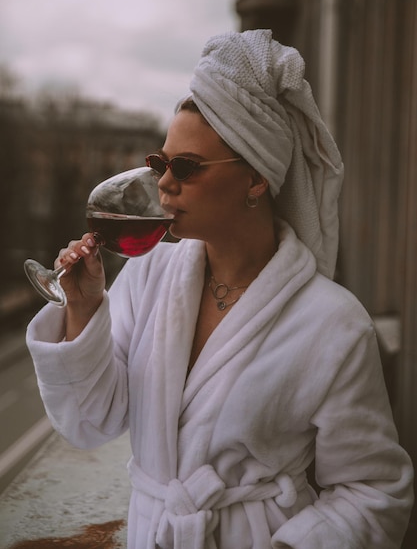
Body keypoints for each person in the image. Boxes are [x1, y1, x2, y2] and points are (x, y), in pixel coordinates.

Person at [26, 29, 413, 549]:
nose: (164, 184)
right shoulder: (149, 275)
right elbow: (90, 423)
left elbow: (375, 490)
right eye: (160, 163)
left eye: (187, 167)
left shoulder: (334, 323)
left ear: (256, 178)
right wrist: (84, 305)